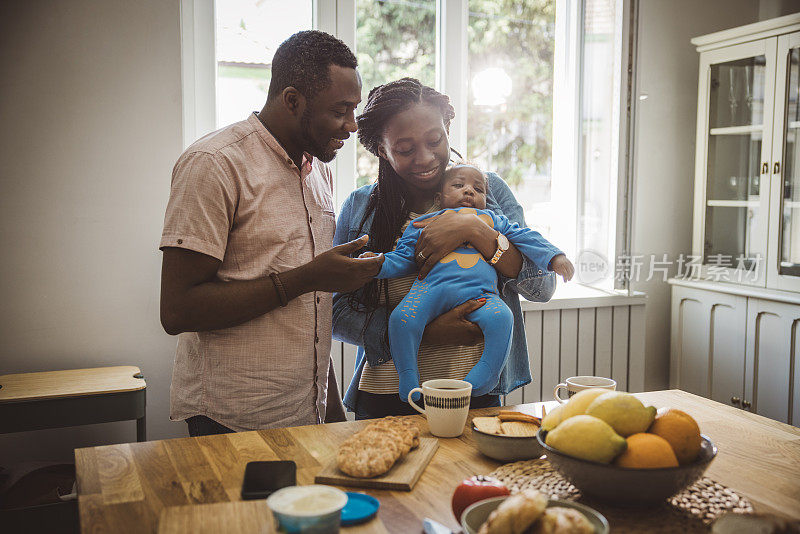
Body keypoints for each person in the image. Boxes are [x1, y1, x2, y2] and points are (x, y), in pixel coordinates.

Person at [159, 31, 382, 436]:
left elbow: (311, 315)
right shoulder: (214, 164)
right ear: (292, 99)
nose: (351, 125)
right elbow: (178, 311)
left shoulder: (319, 173)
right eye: (340, 110)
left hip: (305, 416)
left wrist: (332, 418)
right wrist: (309, 277)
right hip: (230, 420)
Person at [332, 77, 560, 420]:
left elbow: (542, 287)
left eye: (435, 140)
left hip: (473, 394)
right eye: (406, 149)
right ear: (382, 148)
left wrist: (474, 229)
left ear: (448, 129)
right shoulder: (363, 207)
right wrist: (426, 332)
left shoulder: (488, 191)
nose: (425, 158)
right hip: (387, 394)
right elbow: (336, 313)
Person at [363, 164, 574, 401]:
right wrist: (377, 264)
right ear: (438, 197)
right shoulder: (424, 223)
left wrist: (555, 256)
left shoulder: (493, 220)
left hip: (481, 295)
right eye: (458, 185)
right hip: (431, 289)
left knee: (503, 317)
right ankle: (409, 378)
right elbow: (403, 258)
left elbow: (526, 237)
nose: (469, 191)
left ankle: (484, 377)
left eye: (479, 189)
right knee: (402, 319)